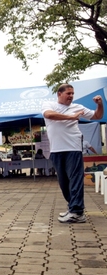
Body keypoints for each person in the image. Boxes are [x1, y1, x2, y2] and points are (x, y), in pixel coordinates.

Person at [42, 83, 104, 223]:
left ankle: (77, 211)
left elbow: (97, 116)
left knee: (75, 179)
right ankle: (72, 207)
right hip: (56, 150)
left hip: (73, 148)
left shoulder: (78, 107)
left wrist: (99, 105)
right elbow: (49, 115)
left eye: (72, 93)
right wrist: (72, 117)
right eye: (68, 93)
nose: (71, 96)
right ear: (59, 94)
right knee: (64, 182)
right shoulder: (49, 105)